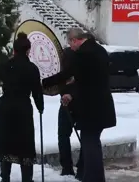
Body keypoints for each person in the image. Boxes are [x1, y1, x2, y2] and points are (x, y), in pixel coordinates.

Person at [43, 32, 115, 182]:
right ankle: (94, 177)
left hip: (91, 107)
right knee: (93, 141)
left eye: (71, 44)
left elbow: (67, 74)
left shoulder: (83, 54)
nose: (71, 47)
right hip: (102, 105)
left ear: (75, 40)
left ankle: (93, 178)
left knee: (90, 144)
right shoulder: (99, 50)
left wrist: (44, 82)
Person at [0, 32, 44, 182]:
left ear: (14, 50)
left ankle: (5, 177)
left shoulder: (7, 66)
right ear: (28, 50)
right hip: (23, 108)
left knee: (6, 143)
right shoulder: (32, 68)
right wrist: (40, 107)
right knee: (24, 145)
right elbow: (37, 92)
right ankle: (27, 178)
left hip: (6, 107)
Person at [57, 29, 81, 178]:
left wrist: (66, 92)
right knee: (82, 134)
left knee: (63, 135)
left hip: (71, 100)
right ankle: (77, 166)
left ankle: (67, 167)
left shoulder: (68, 55)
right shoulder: (81, 55)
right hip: (77, 99)